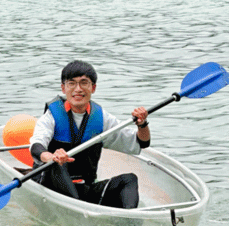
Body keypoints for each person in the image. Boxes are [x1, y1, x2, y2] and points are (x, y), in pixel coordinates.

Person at [29, 61, 150, 209]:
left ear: (93, 88)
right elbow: (36, 146)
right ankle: (81, 216)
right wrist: (50, 156)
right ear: (63, 88)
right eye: (72, 83)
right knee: (56, 164)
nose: (78, 89)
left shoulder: (101, 118)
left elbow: (140, 143)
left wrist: (142, 124)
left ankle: (129, 223)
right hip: (51, 185)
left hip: (83, 189)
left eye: (84, 83)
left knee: (129, 180)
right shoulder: (52, 116)